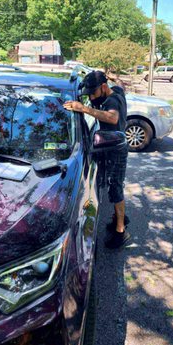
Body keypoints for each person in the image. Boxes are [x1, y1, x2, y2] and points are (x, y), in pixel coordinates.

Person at [63, 70, 130, 249]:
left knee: (115, 186)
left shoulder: (111, 101)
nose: (91, 97)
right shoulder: (117, 91)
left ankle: (120, 231)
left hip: (116, 148)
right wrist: (114, 76)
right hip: (113, 144)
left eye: (93, 93)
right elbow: (121, 85)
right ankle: (120, 216)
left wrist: (83, 108)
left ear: (103, 87)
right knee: (115, 185)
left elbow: (112, 116)